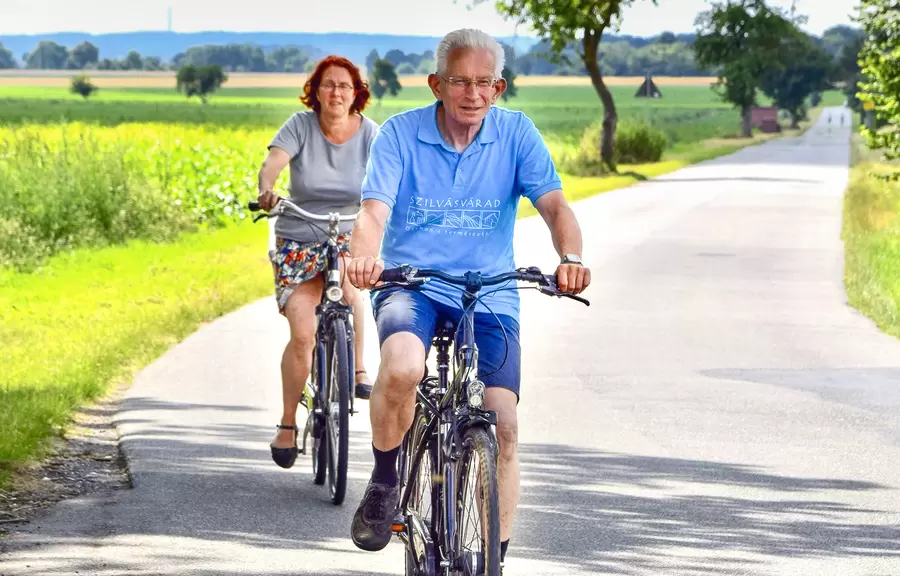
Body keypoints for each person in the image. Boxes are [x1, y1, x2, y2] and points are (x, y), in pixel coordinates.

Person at [345, 29, 591, 567]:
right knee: (404, 365)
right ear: (437, 84)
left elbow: (554, 205)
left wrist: (570, 257)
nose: (472, 93)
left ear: (499, 88)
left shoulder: (516, 134)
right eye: (459, 81)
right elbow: (373, 212)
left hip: (490, 292)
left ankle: (491, 560)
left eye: (484, 82)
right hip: (414, 284)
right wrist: (364, 256)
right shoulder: (400, 136)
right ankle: (387, 480)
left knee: (503, 424)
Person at [257, 55, 379, 470]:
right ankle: (288, 423)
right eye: (328, 85)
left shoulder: (370, 134)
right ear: (317, 91)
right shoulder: (300, 126)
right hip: (299, 234)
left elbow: (390, 174)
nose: (336, 93)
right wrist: (267, 189)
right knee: (304, 335)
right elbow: (272, 162)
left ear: (356, 93)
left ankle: (359, 370)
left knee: (350, 287)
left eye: (344, 86)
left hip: (348, 231)